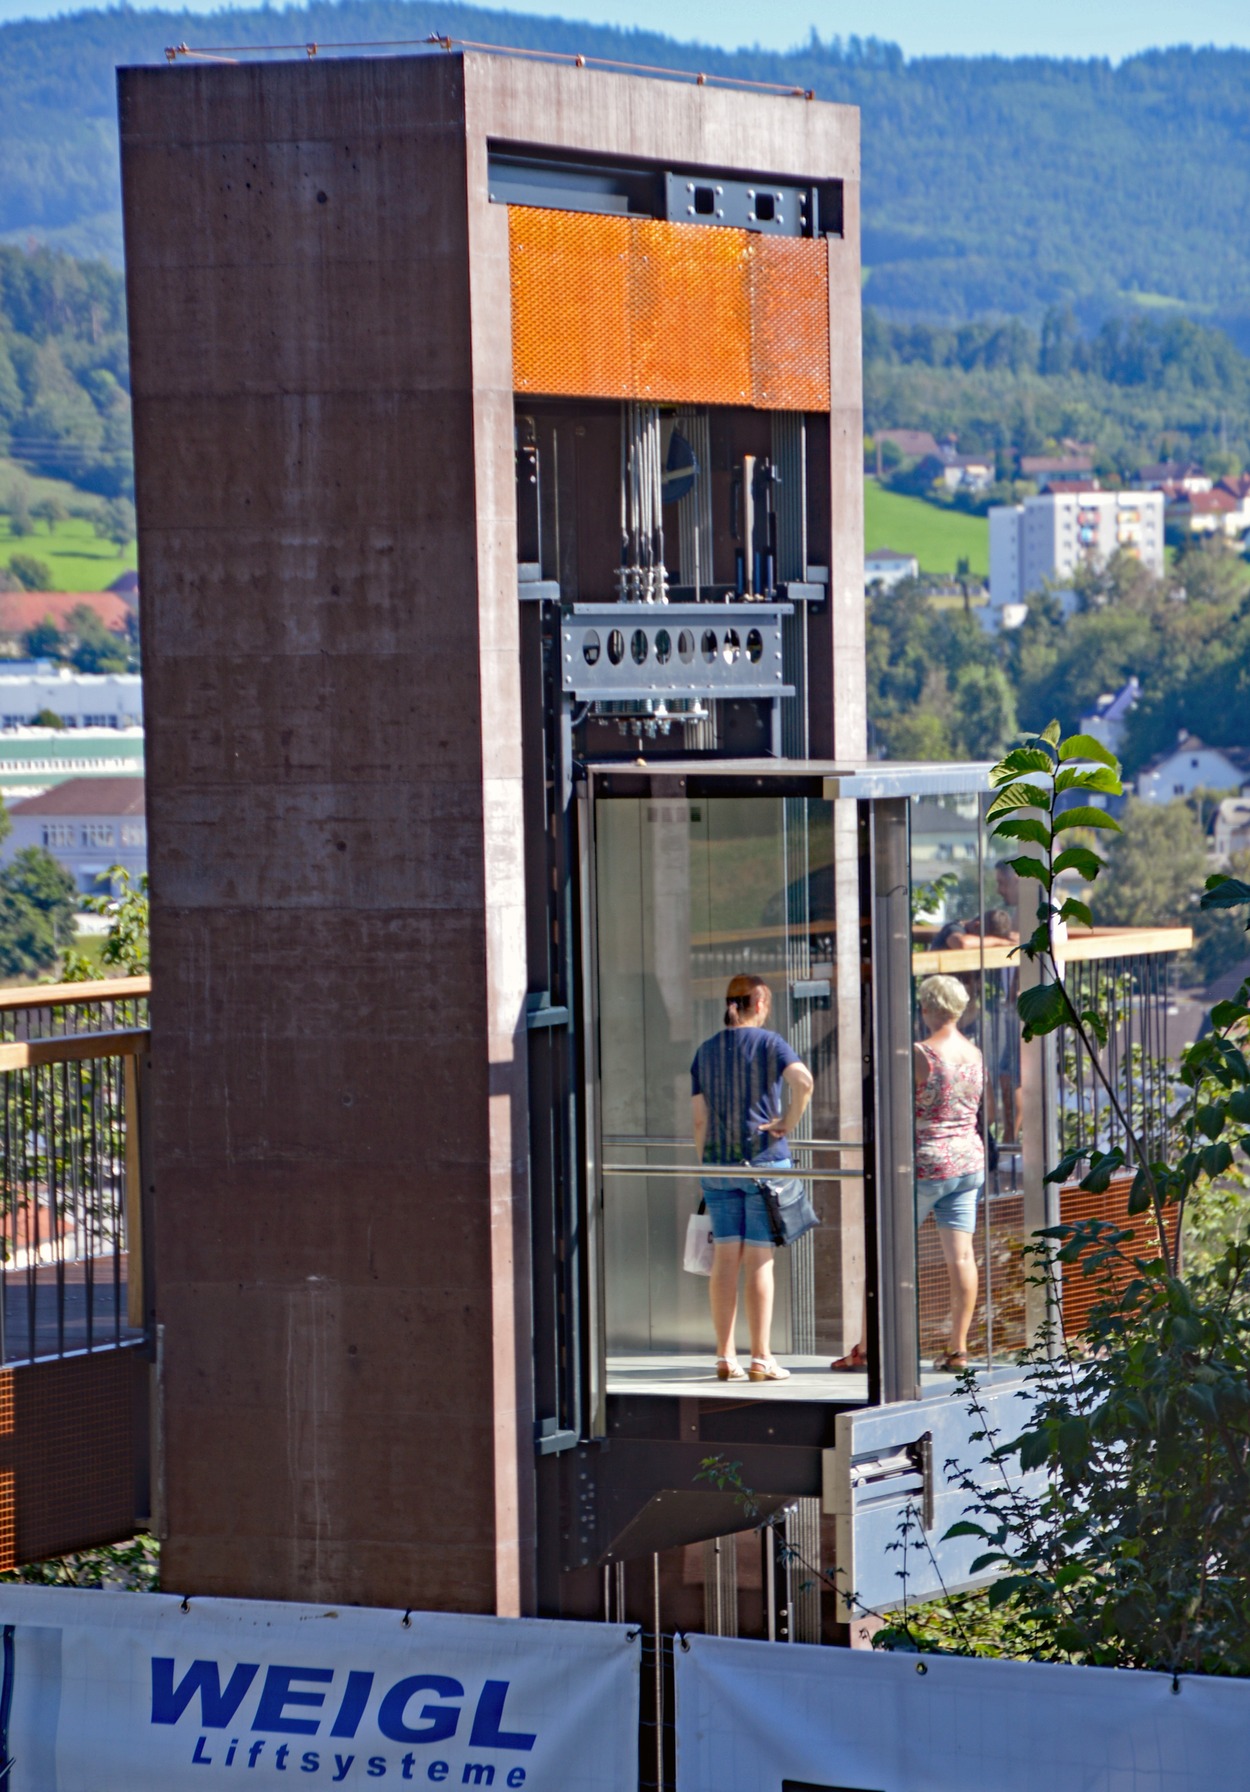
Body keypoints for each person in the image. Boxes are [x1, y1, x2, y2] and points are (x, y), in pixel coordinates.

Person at [690, 974, 814, 1384]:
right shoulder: (770, 1043)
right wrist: (787, 1122)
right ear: (759, 1004)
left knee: (726, 1259)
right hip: (764, 1166)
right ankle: (761, 1357)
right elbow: (804, 1082)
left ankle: (726, 1356)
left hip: (717, 1168)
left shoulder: (705, 1051)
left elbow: (699, 1119)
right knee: (760, 1259)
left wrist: (708, 1165)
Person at [914, 974, 986, 1371]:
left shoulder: (922, 1053)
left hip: (927, 1161)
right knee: (961, 1257)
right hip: (968, 1160)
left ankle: (870, 1345)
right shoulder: (974, 1054)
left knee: (890, 1250)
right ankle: (958, 1348)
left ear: (926, 1008)